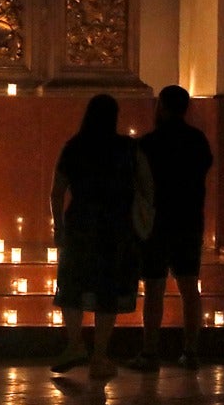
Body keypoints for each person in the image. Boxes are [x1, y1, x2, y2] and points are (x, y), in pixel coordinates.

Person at [49, 94, 155, 381]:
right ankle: (99, 355)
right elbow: (147, 186)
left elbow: (57, 191)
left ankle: (73, 344)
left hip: (80, 223)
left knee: (73, 283)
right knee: (108, 288)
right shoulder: (127, 148)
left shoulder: (74, 147)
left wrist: (58, 226)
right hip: (116, 226)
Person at [129, 86, 214, 372]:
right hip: (189, 220)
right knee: (190, 286)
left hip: (157, 222)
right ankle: (191, 352)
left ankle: (150, 352)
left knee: (154, 287)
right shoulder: (197, 140)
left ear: (161, 107)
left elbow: (139, 183)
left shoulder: (149, 143)